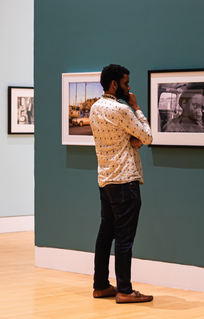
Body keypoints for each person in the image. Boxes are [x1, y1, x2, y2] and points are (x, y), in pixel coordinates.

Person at [89, 64, 153, 304]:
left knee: (105, 234)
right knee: (125, 238)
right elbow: (147, 136)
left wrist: (130, 139)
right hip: (125, 181)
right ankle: (125, 290)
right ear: (114, 84)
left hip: (105, 180)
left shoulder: (95, 109)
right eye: (126, 83)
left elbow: (121, 137)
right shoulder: (123, 110)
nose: (129, 88)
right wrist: (136, 106)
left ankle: (101, 285)